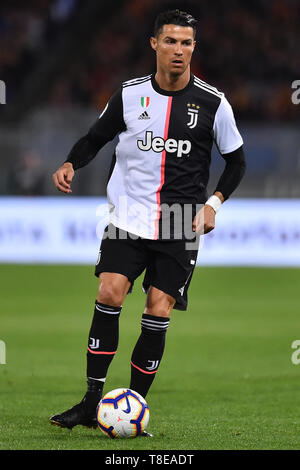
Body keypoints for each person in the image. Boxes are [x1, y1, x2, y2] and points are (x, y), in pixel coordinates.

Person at [50, 9, 246, 434]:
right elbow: (95, 138)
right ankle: (90, 401)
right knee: (110, 291)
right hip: (129, 217)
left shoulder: (213, 102)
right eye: (171, 41)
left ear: (195, 47)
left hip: (179, 224)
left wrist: (214, 203)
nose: (180, 50)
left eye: (187, 42)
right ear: (154, 44)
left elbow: (236, 163)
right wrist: (71, 162)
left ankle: (135, 405)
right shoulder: (129, 94)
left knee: (158, 308)